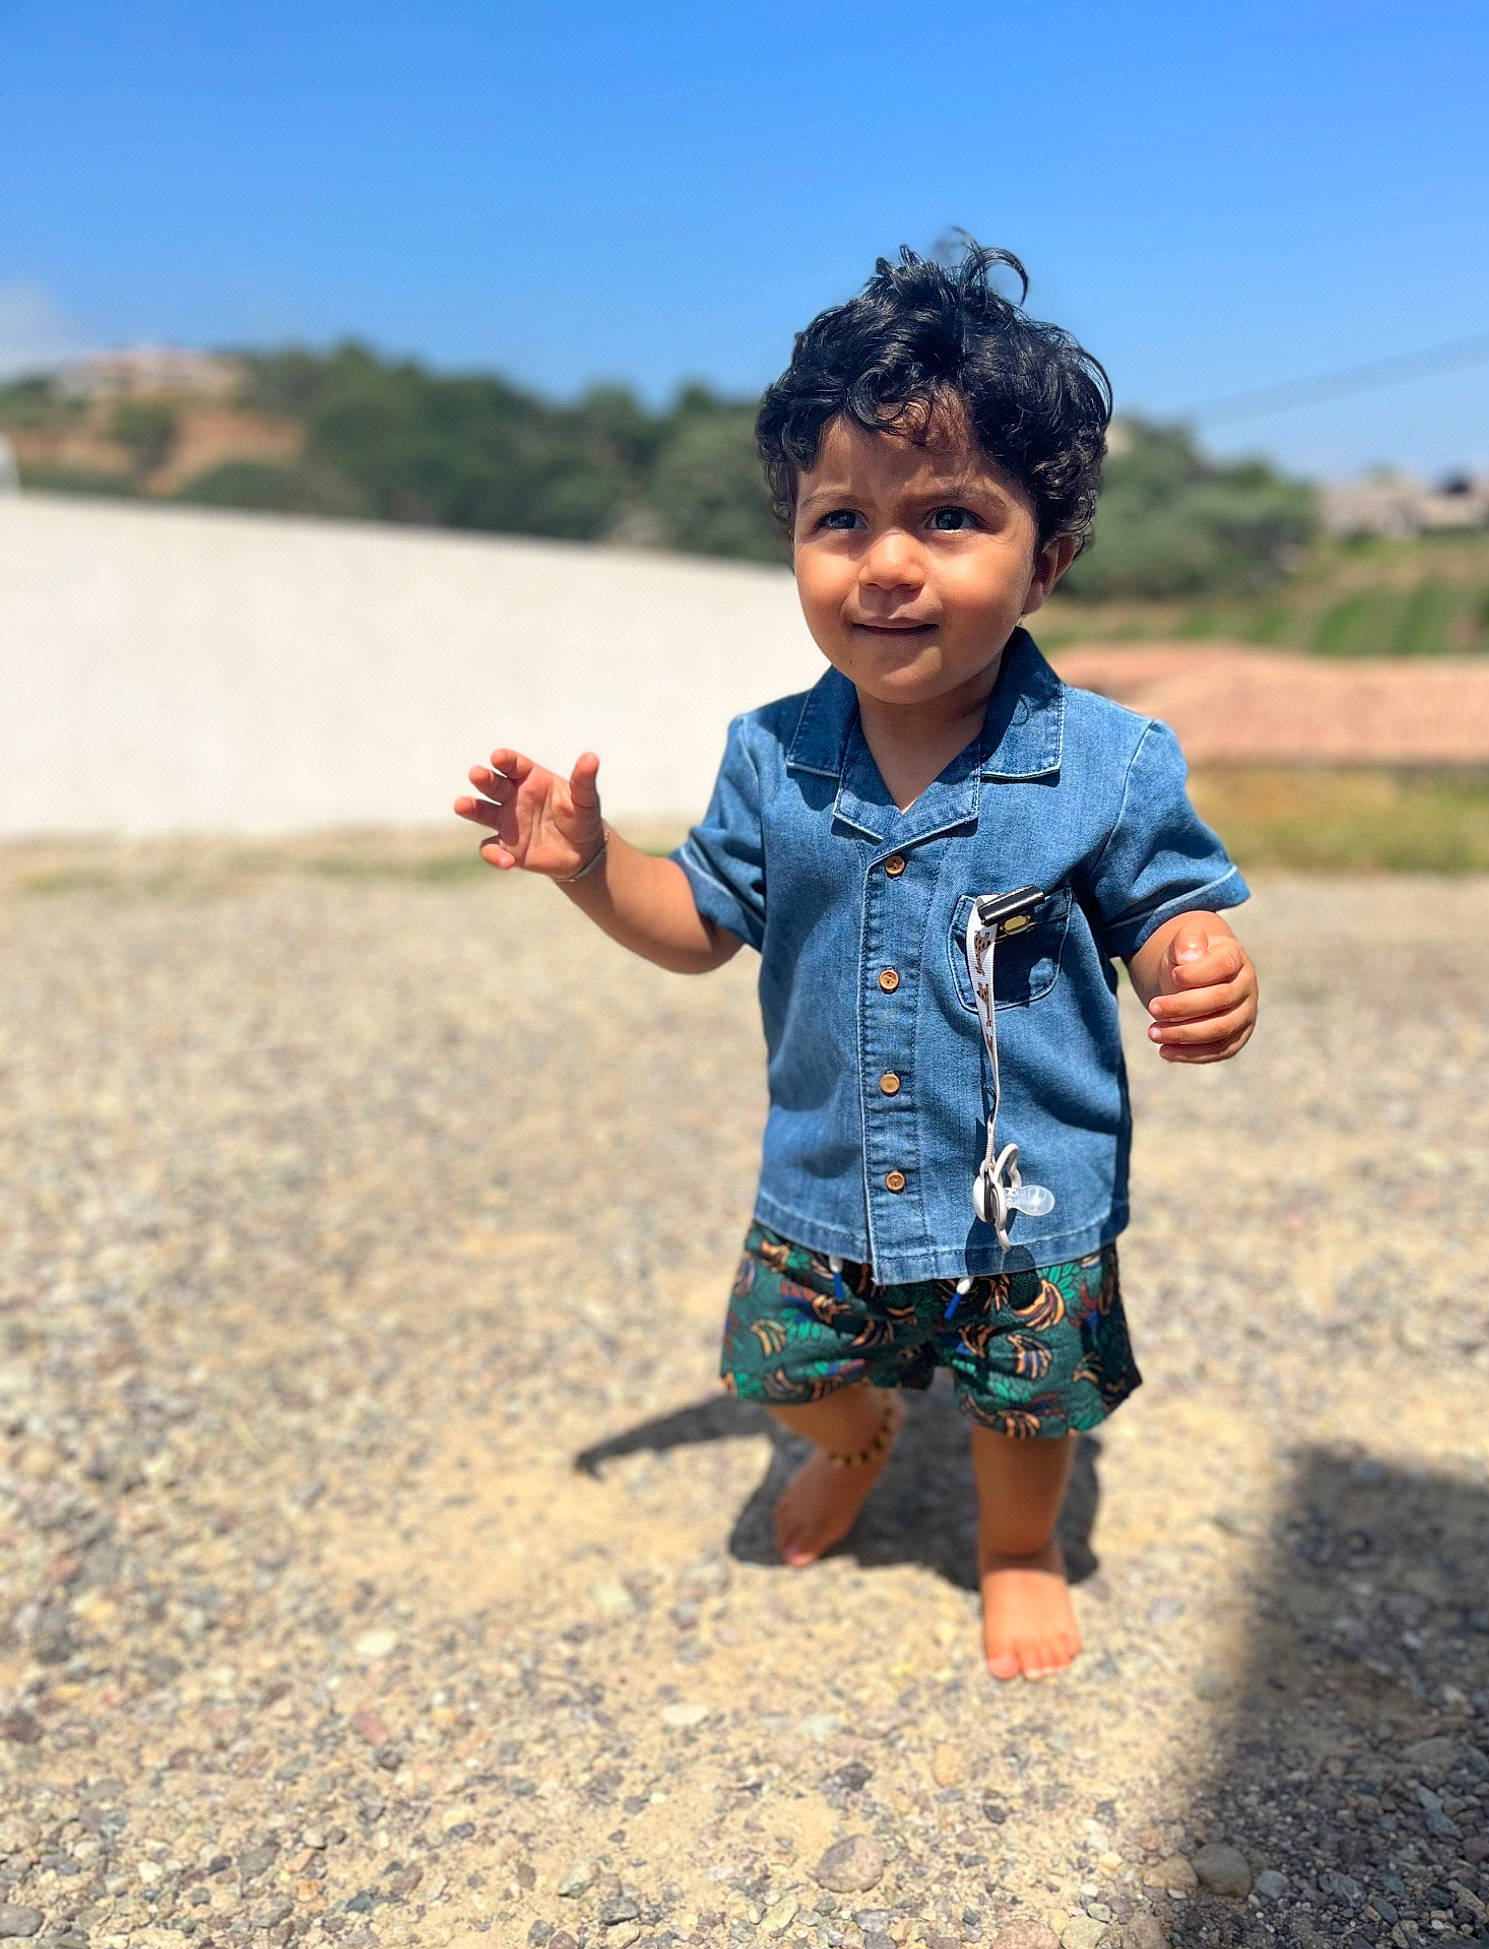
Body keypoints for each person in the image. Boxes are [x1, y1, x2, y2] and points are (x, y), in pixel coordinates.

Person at [454, 242, 1258, 1682]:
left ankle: (1015, 1550)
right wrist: (588, 864)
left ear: (1046, 558)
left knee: (1027, 1406)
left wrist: (1198, 962)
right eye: (842, 521)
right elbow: (700, 925)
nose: (887, 564)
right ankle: (864, 1433)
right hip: (828, 1176)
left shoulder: (1112, 763)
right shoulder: (772, 755)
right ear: (795, 545)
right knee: (780, 1375)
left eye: (950, 517)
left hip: (1030, 1192)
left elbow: (1167, 917)